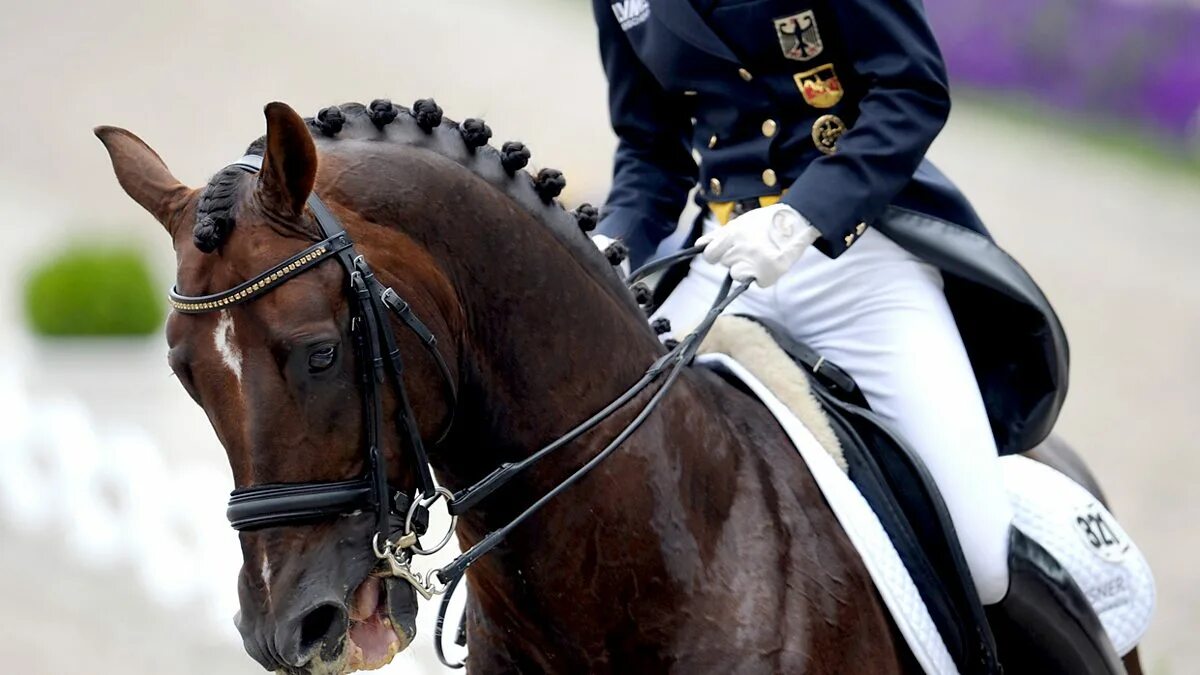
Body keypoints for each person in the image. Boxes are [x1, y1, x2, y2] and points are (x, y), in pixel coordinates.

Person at [592, 1, 1121, 672]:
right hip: (725, 260)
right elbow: (649, 149)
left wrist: (800, 218)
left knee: (981, 555)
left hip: (857, 258)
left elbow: (912, 89)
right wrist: (614, 244)